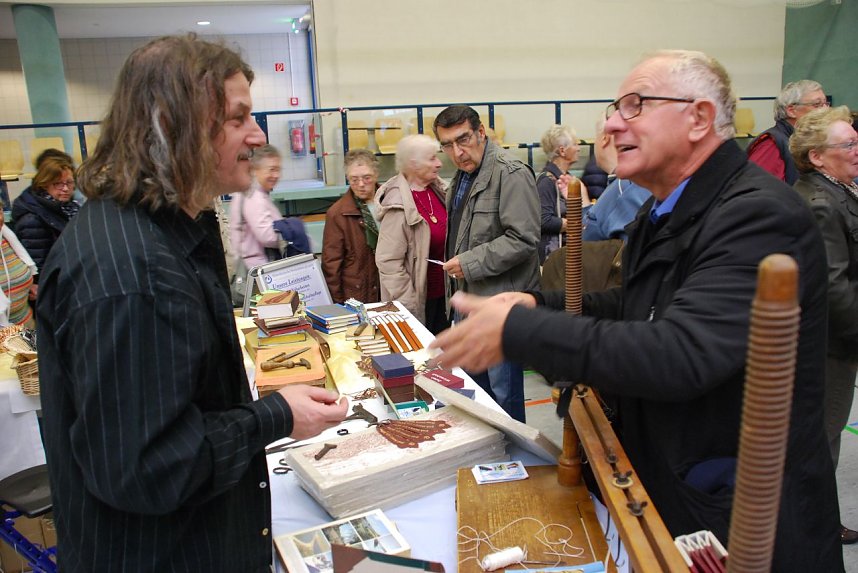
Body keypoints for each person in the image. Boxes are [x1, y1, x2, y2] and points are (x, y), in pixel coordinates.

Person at [431, 50, 842, 570]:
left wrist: (521, 330)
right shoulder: (668, 205)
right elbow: (637, 304)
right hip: (676, 483)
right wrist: (539, 300)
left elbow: (681, 352)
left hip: (739, 516)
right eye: (614, 108)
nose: (609, 123)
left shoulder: (757, 214)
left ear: (698, 118)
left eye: (634, 106)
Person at [36, 34, 348, 572]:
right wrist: (276, 414)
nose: (256, 135)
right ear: (172, 124)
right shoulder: (133, 270)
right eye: (237, 118)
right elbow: (146, 467)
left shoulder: (168, 231)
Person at [434, 105, 540, 423]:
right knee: (475, 392)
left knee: (504, 395)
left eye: (463, 139)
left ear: (481, 133)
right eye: (448, 145)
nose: (457, 151)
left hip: (500, 307)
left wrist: (468, 262)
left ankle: (517, 465)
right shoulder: (463, 177)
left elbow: (523, 239)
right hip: (469, 303)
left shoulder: (511, 174)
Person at [790, 105, 858, 545]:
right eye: (848, 144)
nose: (856, 150)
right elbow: (834, 286)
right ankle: (813, 529)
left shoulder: (838, 190)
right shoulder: (819, 202)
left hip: (835, 341)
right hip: (830, 345)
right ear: (817, 156)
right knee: (822, 440)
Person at [375, 134, 450, 333]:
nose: (439, 163)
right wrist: (409, 307)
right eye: (432, 158)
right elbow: (389, 263)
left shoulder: (439, 191)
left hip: (447, 297)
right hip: (420, 304)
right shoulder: (397, 204)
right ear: (413, 164)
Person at [321, 149, 381, 303]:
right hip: (357, 295)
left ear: (376, 175)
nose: (360, 184)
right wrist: (338, 305)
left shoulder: (391, 202)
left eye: (366, 178)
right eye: (354, 179)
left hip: (388, 288)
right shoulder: (337, 214)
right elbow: (331, 266)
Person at [11, 155, 80, 279]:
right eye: (58, 184)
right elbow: (40, 267)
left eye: (69, 182)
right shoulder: (32, 220)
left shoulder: (70, 208)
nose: (65, 188)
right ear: (44, 184)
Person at [746, 79, 827, 184]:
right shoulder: (771, 143)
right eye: (817, 105)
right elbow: (758, 191)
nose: (825, 110)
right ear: (791, 111)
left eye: (826, 104)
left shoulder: (806, 142)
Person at [536, 124, 588, 264]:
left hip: (563, 254)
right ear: (562, 150)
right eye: (575, 144)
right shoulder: (546, 181)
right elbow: (543, 220)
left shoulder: (567, 178)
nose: (578, 148)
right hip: (552, 258)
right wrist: (576, 224)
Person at [0, 200, 37, 326]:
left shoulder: (6, 238)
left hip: (27, 327)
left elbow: (11, 275)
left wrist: (27, 285)